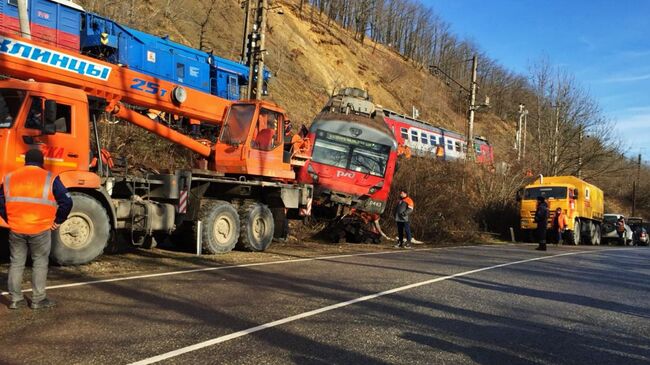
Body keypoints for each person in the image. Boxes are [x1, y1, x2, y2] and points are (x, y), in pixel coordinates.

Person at [0, 149, 73, 310]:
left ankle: (15, 300)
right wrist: (58, 221)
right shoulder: (50, 178)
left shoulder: (10, 177)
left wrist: (9, 219)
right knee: (39, 262)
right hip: (40, 228)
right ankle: (38, 299)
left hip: (16, 228)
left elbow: (1, 202)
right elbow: (67, 202)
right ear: (42, 162)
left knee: (16, 263)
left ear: (25, 161)